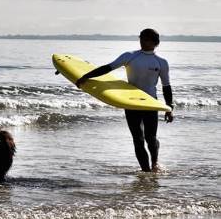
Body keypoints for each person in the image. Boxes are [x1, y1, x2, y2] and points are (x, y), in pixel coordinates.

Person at [75, 29, 174, 172]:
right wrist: (86, 76)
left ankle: (155, 162)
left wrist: (169, 108)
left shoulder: (161, 62)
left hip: (150, 103)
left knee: (150, 138)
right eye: (141, 38)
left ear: (155, 42)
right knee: (137, 139)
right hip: (131, 102)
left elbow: (166, 86)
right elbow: (108, 68)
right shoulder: (130, 56)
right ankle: (146, 171)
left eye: (146, 39)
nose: (142, 41)